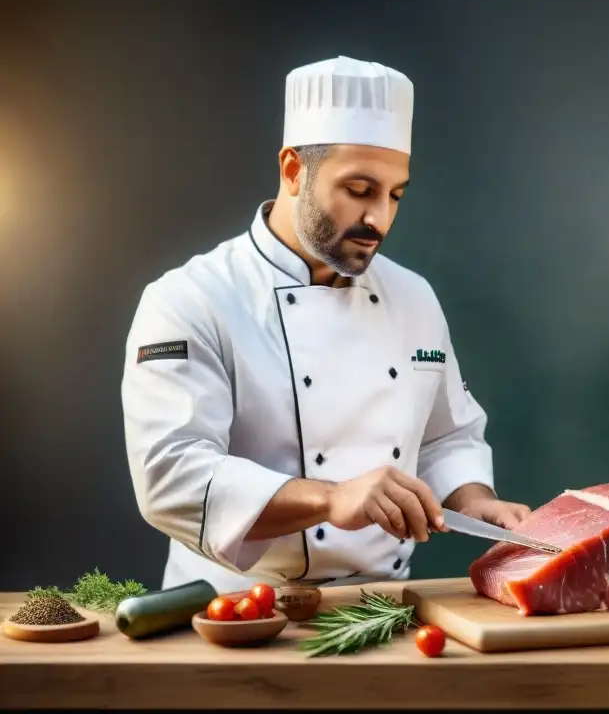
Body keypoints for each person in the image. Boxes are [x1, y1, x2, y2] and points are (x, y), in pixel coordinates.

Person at [121, 55, 530, 593]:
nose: (379, 219)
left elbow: (447, 436)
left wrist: (477, 503)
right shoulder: (190, 300)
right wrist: (333, 499)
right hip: (233, 611)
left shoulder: (413, 297)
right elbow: (171, 475)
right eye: (359, 191)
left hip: (384, 608)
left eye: (395, 195)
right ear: (294, 170)